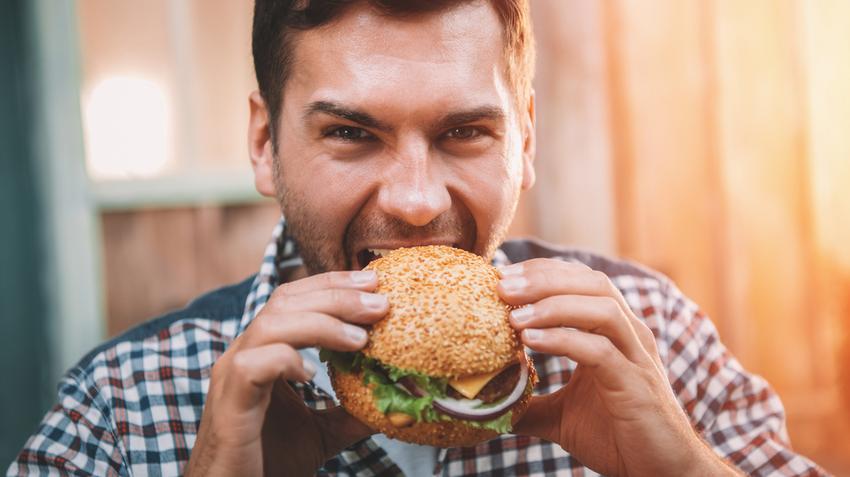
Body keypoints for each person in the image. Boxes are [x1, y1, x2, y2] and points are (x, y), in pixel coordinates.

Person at [8, 1, 829, 476]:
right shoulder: (119, 405)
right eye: (352, 134)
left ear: (526, 141)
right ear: (264, 143)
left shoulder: (656, 339)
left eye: (466, 131)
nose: (412, 200)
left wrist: (687, 470)